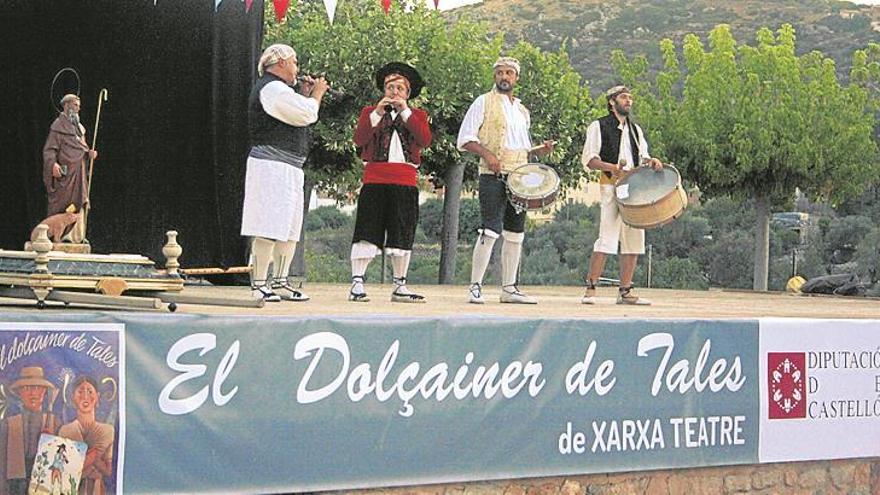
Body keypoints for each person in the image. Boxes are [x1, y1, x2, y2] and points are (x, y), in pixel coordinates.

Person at [457, 56, 554, 304]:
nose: (504, 77)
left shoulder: (522, 110)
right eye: (500, 72)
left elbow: (519, 147)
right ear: (494, 77)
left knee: (516, 233)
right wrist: (488, 155)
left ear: (516, 78)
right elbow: (466, 138)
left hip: (520, 176)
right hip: (493, 175)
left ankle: (509, 288)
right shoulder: (483, 102)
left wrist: (538, 151)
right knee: (490, 229)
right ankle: (475, 286)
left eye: (509, 73)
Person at [240, 44, 329, 302]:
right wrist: (317, 95)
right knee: (268, 224)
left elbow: (295, 111)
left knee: (289, 228)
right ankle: (259, 284)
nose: (297, 69)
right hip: (270, 166)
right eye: (295, 63)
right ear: (280, 63)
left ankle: (279, 281)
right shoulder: (271, 87)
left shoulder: (280, 90)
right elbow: (306, 113)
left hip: (288, 168)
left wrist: (303, 93)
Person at [348, 63, 431, 303]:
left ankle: (399, 285)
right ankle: (357, 283)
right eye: (389, 87)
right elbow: (359, 138)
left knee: (402, 231)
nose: (394, 92)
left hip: (405, 181)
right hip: (374, 179)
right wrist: (376, 113)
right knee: (367, 230)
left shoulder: (418, 116)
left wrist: (405, 112)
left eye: (399, 88)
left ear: (407, 93)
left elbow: (424, 139)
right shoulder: (369, 113)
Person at [580, 85, 663, 305]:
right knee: (606, 236)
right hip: (611, 185)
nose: (628, 101)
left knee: (634, 238)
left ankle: (625, 291)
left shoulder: (635, 130)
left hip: (633, 190)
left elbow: (642, 156)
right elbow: (589, 159)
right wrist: (613, 167)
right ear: (612, 102)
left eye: (630, 98)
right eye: (624, 97)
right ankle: (591, 288)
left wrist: (651, 161)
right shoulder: (598, 126)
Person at [42, 94, 98, 244]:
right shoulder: (57, 126)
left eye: (79, 106)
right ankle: (57, 236)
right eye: (75, 105)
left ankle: (76, 236)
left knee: (81, 200)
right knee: (63, 203)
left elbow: (83, 148)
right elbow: (49, 150)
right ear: (66, 106)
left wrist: (89, 154)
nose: (78, 108)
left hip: (79, 172)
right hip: (66, 175)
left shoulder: (80, 129)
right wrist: (53, 164)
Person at [0, 367, 59, 495]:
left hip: (46, 485)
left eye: (37, 388)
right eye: (27, 389)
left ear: (44, 392)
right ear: (19, 393)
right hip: (15, 486)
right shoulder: (8, 424)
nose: (33, 393)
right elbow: (2, 465)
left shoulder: (55, 423)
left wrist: (52, 442)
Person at [57, 376, 114, 495]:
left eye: (90, 391)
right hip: (71, 489)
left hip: (96, 489)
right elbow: (64, 468)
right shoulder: (65, 431)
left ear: (97, 396)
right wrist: (91, 459)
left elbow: (108, 471)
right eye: (80, 391)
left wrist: (95, 458)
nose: (85, 396)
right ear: (73, 397)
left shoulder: (107, 431)